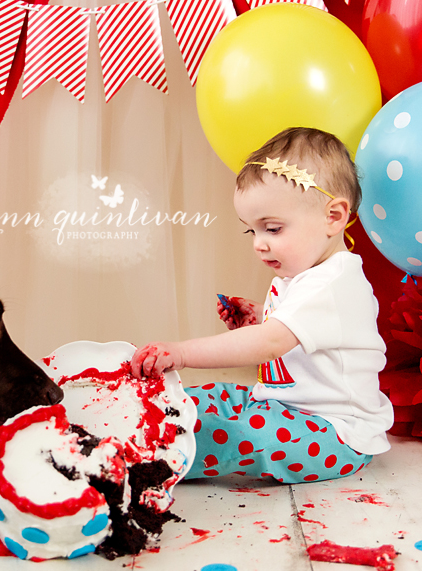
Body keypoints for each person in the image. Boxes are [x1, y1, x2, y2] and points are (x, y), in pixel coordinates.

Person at [131, 127, 393, 483]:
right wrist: (258, 314)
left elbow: (271, 342)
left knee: (243, 436)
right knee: (199, 399)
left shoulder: (333, 282)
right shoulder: (303, 277)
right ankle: (142, 419)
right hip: (279, 407)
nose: (258, 243)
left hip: (333, 433)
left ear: (333, 217)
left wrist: (180, 352)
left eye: (272, 229)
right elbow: (299, 332)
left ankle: (144, 456)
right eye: (251, 230)